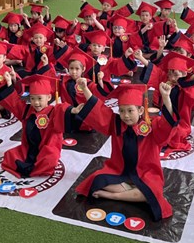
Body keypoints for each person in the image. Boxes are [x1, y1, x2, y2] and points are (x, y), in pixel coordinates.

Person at [75, 83, 179, 221]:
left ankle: (113, 196)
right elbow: (98, 110)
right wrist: (85, 89)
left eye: (130, 111)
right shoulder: (116, 123)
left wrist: (166, 97)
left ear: (140, 110)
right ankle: (134, 194)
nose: (126, 115)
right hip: (118, 170)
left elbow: (167, 125)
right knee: (97, 179)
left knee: (154, 192)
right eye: (122, 111)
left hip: (146, 172)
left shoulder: (151, 126)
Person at [0, 73, 91, 177]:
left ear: (48, 97)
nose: (36, 102)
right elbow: (14, 102)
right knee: (10, 155)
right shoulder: (26, 110)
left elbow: (63, 109)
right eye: (32, 98)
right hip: (28, 148)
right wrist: (8, 84)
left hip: (48, 148)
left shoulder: (53, 111)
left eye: (40, 98)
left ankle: (33, 168)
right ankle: (31, 167)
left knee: (49, 160)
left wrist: (74, 110)